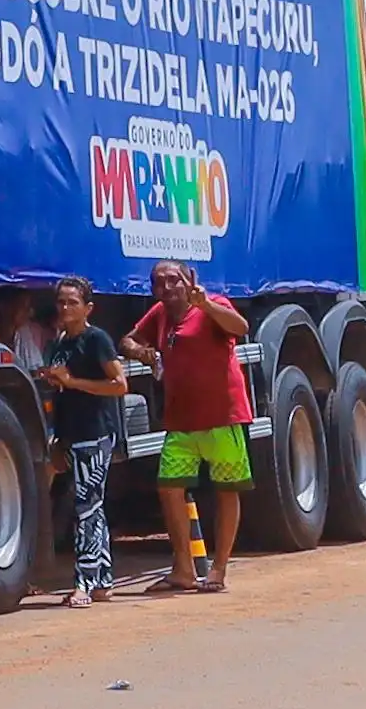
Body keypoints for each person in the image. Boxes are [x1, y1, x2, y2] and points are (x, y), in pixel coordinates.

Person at [124, 258, 249, 597]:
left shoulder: (213, 304)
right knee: (169, 488)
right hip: (181, 421)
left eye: (172, 281)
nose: (165, 288)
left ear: (188, 280)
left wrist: (205, 304)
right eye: (158, 283)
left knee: (226, 490)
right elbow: (127, 341)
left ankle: (219, 568)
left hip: (222, 417)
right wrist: (144, 353)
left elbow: (240, 328)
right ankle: (183, 568)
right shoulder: (159, 315)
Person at [35, 276, 130, 604]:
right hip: (71, 433)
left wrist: (73, 382)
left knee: (86, 507)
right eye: (61, 302)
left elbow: (119, 385)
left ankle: (84, 583)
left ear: (88, 307)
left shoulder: (97, 340)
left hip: (95, 433)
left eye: (72, 302)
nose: (65, 308)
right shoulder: (60, 344)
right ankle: (103, 579)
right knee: (94, 508)